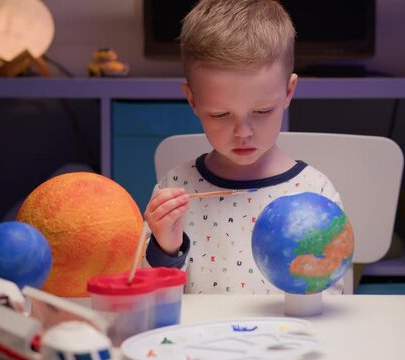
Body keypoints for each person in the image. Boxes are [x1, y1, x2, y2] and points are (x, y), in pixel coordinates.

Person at [144, 0, 344, 295]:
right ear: (192, 101)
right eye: (220, 115)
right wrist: (166, 248)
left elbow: (333, 298)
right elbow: (153, 300)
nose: (243, 132)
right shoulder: (176, 188)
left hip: (286, 340)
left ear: (288, 92)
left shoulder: (315, 192)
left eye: (262, 111)